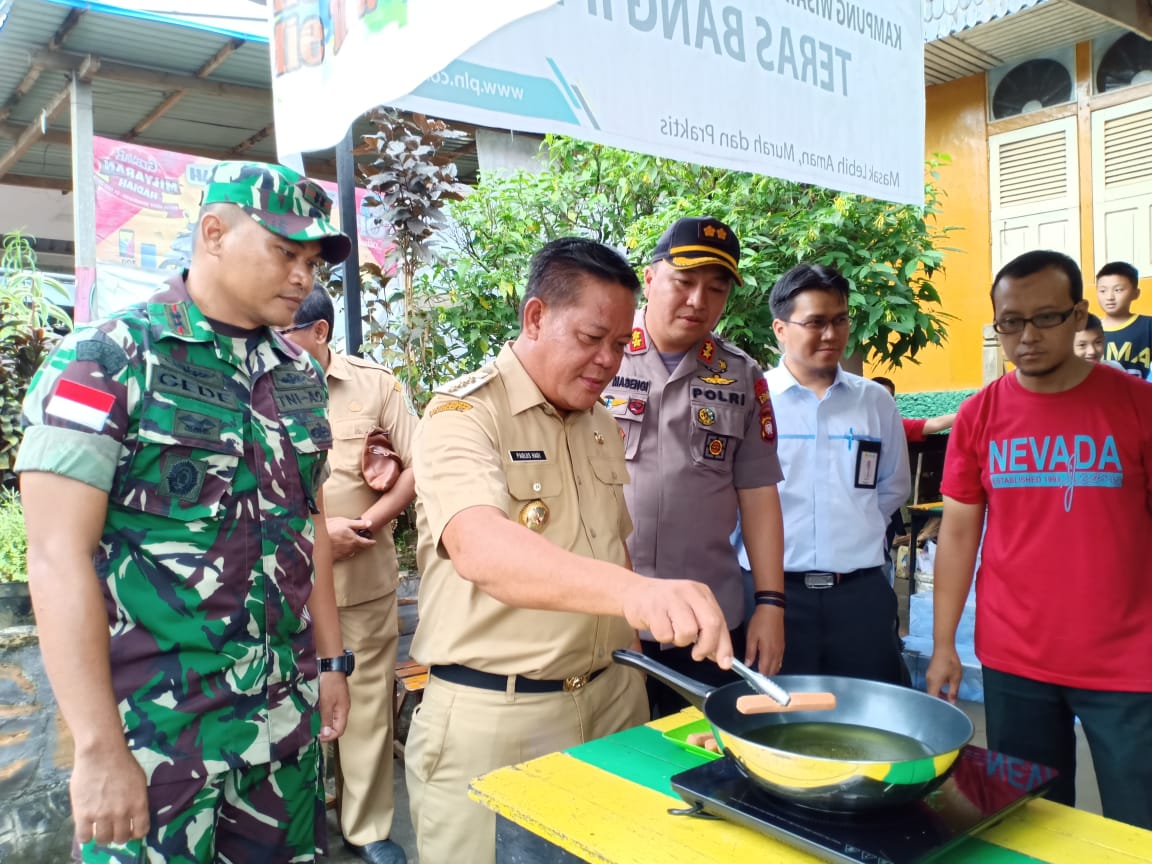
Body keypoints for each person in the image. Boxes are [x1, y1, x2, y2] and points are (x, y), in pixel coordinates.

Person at [16, 161, 353, 862]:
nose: (303, 278)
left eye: (313, 262)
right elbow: (54, 556)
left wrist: (331, 661)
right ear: (214, 233)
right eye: (286, 252)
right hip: (154, 744)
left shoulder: (297, 378)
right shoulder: (106, 360)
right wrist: (99, 748)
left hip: (279, 734)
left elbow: (308, 522)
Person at [405, 237, 733, 864]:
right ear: (535, 318)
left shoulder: (599, 422)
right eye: (591, 338)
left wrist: (636, 653)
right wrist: (642, 595)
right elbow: (481, 548)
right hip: (495, 718)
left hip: (612, 702)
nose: (608, 360)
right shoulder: (462, 415)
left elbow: (613, 551)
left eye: (618, 343)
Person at [927, 249, 1152, 831]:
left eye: (1045, 318)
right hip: (1015, 660)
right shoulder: (978, 416)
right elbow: (957, 535)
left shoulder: (1137, 406)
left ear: (1078, 316)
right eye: (1010, 322)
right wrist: (945, 643)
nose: (1026, 336)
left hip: (1129, 663)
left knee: (1137, 825)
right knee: (1030, 824)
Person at [601, 216, 785, 717]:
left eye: (716, 288)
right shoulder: (600, 357)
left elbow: (759, 494)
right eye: (684, 282)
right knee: (613, 765)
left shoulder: (741, 374)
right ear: (650, 278)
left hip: (706, 622)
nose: (698, 301)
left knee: (704, 753)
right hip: (607, 615)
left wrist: (770, 602)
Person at [283, 286, 416, 864]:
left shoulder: (375, 386)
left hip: (360, 584)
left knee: (364, 708)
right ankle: (299, 827)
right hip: (282, 589)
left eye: (285, 334)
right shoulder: (253, 383)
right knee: (289, 712)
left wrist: (362, 523)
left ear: (319, 333)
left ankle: (366, 829)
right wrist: (313, 539)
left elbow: (419, 465)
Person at [735, 262, 911, 683]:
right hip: (773, 597)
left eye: (840, 320)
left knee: (867, 723)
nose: (831, 334)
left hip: (860, 597)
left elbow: (891, 489)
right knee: (775, 723)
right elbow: (733, 500)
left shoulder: (875, 403)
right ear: (780, 329)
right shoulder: (753, 401)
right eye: (815, 322)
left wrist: (850, 534)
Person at [1096, 260, 1152, 378]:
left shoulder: (1148, 325)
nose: (1109, 297)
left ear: (1136, 293)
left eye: (1118, 290)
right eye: (1103, 291)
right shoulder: (1088, 329)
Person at [871, 376, 956, 442]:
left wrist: (967, 412)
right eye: (876, 397)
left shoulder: (897, 426)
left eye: (885, 397)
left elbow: (936, 423)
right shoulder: (858, 423)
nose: (879, 402)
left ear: (893, 401)